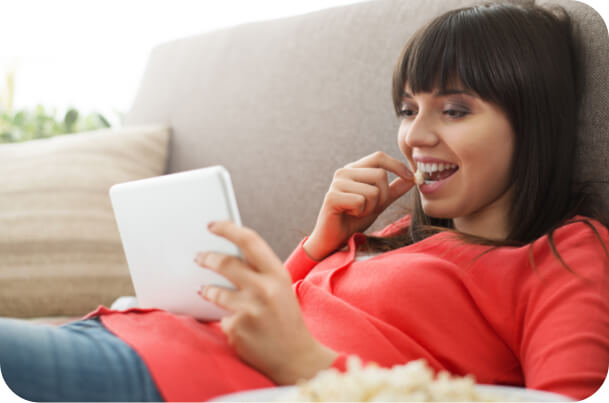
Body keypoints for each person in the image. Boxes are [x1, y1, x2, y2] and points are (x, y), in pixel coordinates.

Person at [2, 2, 608, 402]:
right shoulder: (396, 233)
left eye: (454, 110)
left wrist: (307, 365)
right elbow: (261, 315)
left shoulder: (564, 252)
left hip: (171, 377)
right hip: (134, 336)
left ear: (533, 124)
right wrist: (321, 241)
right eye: (408, 109)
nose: (415, 136)